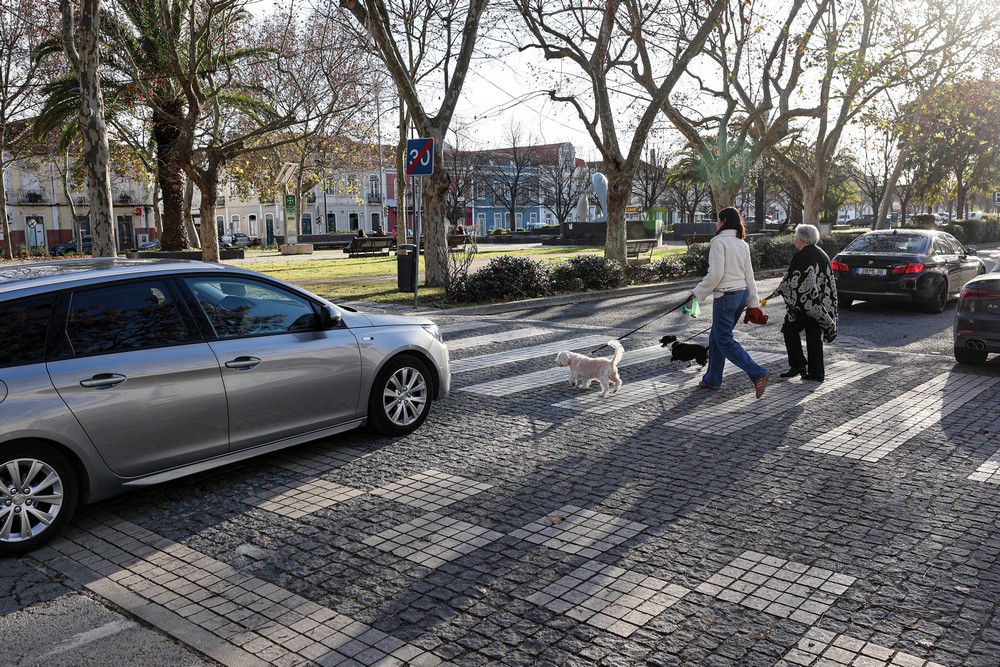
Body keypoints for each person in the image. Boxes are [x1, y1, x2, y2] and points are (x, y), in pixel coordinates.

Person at [690, 207, 770, 399]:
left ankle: (757, 372)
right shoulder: (742, 244)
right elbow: (749, 276)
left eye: (718, 220)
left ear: (724, 221)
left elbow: (715, 274)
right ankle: (712, 379)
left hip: (725, 297)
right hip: (741, 295)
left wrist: (697, 292)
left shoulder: (718, 242)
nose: (716, 223)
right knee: (716, 337)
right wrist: (752, 303)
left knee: (724, 339)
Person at [775, 224, 838, 382]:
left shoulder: (802, 255)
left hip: (804, 304)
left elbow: (793, 279)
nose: (794, 240)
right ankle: (817, 373)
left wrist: (780, 290)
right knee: (813, 335)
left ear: (801, 239)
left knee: (789, 329)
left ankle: (798, 364)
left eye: (795, 237)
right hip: (819, 305)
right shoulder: (822, 254)